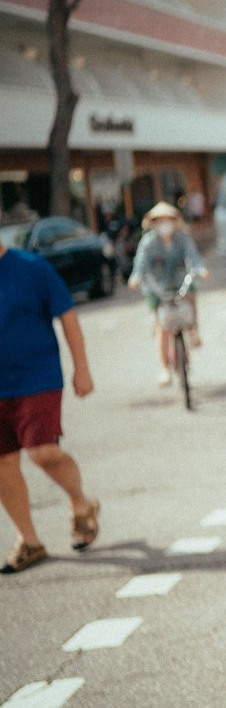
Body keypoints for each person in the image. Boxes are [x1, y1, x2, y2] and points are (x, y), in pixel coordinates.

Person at [0, 237, 99, 574]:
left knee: (42, 452)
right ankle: (29, 541)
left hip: (37, 377)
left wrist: (82, 368)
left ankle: (80, 502)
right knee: (3, 462)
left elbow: (68, 318)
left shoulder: (32, 268)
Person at [127, 202, 208, 386]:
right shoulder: (148, 242)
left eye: (168, 220)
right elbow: (140, 264)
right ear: (154, 223)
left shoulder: (182, 238)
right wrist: (136, 277)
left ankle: (192, 330)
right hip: (157, 288)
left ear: (174, 221)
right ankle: (164, 368)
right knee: (161, 328)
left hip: (180, 283)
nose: (164, 224)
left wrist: (201, 269)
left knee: (190, 300)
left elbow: (194, 258)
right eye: (160, 220)